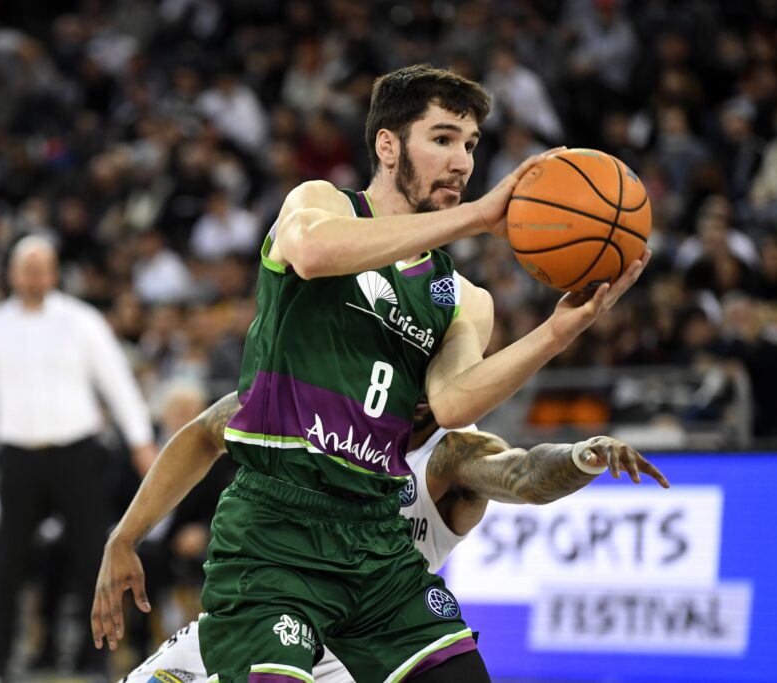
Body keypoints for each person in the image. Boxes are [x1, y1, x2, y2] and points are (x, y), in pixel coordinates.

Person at [93, 64, 649, 682]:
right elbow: (311, 254)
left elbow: (456, 403)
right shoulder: (320, 204)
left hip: (375, 544)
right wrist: (126, 535)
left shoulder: (464, 297)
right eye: (442, 139)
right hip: (275, 532)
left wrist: (556, 332)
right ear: (388, 145)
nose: (462, 161)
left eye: (470, 145)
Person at [112, 394, 669, 683]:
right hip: (270, 607)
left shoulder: (452, 450)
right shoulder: (323, 398)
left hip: (369, 638)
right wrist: (125, 537)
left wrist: (579, 455)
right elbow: (207, 430)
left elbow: (522, 473)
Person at [0, 235, 158, 682]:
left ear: (54, 272)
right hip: (18, 458)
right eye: (27, 267)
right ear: (13, 273)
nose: (35, 275)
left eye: (43, 266)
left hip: (76, 455)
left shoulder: (82, 321)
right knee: (6, 566)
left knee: (92, 562)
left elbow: (116, 381)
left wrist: (140, 441)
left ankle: (97, 664)